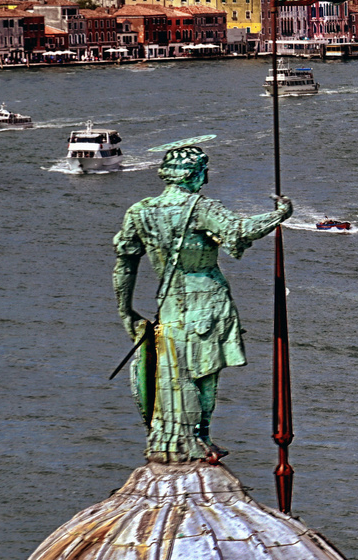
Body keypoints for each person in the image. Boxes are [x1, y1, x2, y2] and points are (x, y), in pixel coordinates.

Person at [112, 144, 291, 463]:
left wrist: (125, 309)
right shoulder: (202, 208)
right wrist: (280, 215)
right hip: (208, 304)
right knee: (203, 375)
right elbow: (241, 230)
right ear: (193, 174)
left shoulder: (139, 212)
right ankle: (198, 437)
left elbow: (125, 263)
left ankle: (174, 439)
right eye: (203, 172)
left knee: (174, 372)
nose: (206, 179)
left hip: (169, 305)